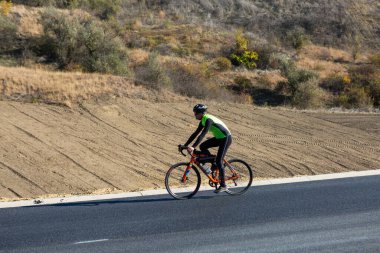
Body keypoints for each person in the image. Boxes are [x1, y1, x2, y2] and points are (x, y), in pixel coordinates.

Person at [181, 104, 232, 193]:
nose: (195, 115)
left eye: (196, 113)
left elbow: (203, 134)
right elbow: (195, 133)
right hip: (219, 138)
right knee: (202, 146)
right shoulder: (203, 120)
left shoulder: (208, 119)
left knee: (219, 161)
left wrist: (193, 147)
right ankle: (213, 161)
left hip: (226, 138)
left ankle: (223, 186)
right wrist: (185, 145)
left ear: (201, 113)